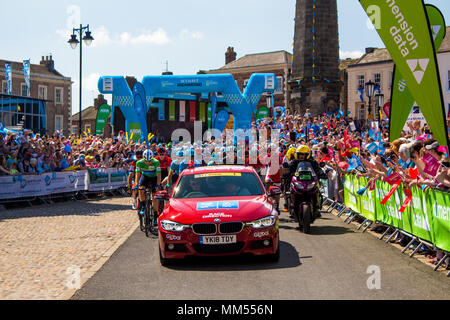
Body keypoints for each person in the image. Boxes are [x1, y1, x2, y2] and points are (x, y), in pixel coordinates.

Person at [135, 149, 161, 226]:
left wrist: (158, 185)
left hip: (154, 178)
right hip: (145, 177)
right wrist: (137, 184)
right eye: (146, 161)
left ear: (152, 158)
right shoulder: (139, 163)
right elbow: (137, 174)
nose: (148, 163)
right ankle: (143, 206)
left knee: (154, 197)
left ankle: (156, 216)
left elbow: (159, 175)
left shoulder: (156, 162)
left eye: (149, 161)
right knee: (141, 189)